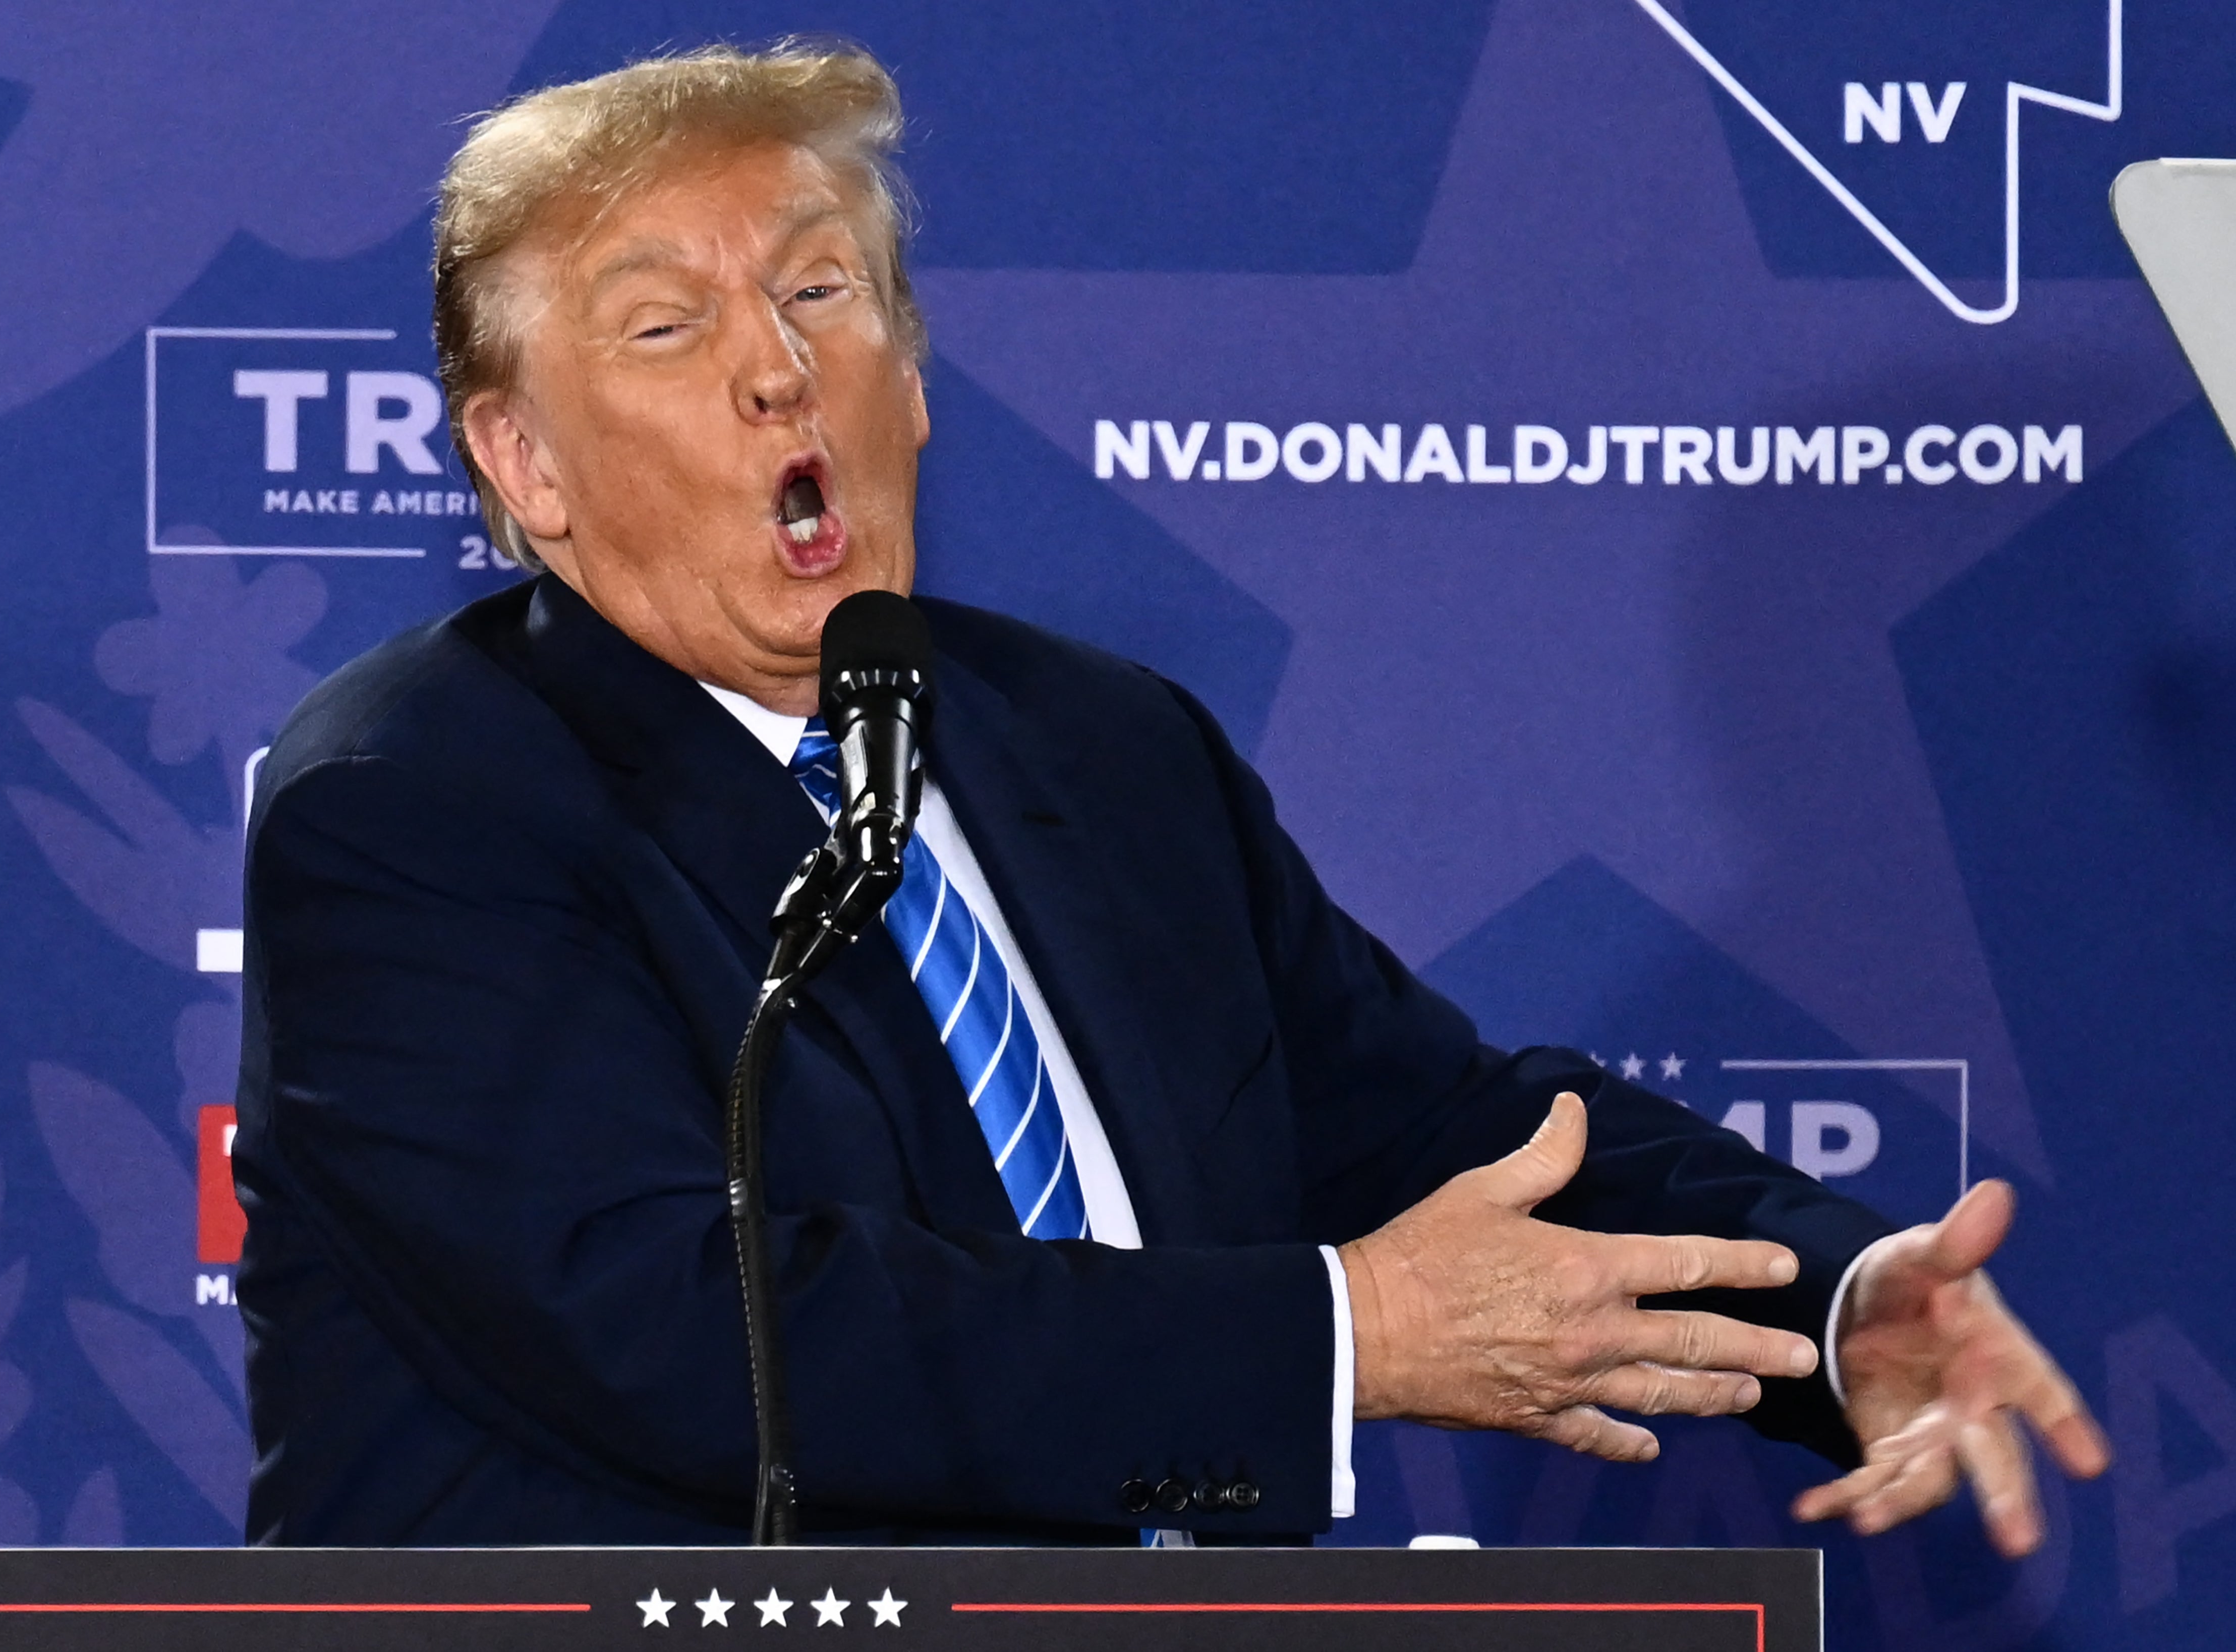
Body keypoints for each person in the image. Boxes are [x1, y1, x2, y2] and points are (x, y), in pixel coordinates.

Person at [232, 40, 2107, 1549]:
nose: (776, 367)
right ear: (521, 465)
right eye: (666, 326)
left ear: (916, 380)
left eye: (822, 290)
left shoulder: (1094, 742)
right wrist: (1347, 1334)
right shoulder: (418, 801)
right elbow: (681, 1330)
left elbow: (1435, 1126)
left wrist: (1841, 1297)